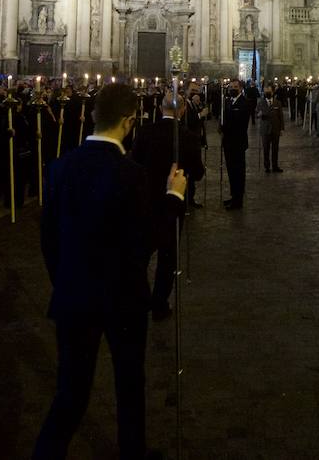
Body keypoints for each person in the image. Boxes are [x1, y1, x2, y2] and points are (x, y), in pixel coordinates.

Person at [33, 84, 186, 460]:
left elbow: (48, 240)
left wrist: (66, 282)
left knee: (70, 394)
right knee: (129, 383)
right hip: (123, 299)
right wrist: (174, 197)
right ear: (130, 121)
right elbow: (147, 241)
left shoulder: (59, 167)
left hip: (73, 298)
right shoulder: (131, 174)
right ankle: (132, 452)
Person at [131, 89, 201, 321]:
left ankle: (137, 295)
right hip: (173, 206)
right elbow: (198, 173)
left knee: (142, 251)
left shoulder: (143, 132)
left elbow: (135, 164)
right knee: (168, 256)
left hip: (145, 203)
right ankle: (159, 303)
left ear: (161, 109)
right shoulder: (189, 137)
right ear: (182, 111)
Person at [219, 82, 250, 209]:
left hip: (238, 142)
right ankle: (233, 195)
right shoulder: (228, 101)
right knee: (231, 171)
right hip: (228, 142)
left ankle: (238, 200)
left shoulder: (244, 102)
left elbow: (240, 122)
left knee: (238, 172)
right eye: (231, 87)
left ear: (241, 88)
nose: (232, 89)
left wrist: (225, 126)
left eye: (235, 87)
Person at [256, 82, 284, 173]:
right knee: (266, 149)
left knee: (275, 149)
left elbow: (281, 117)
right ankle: (267, 166)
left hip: (275, 129)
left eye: (269, 91)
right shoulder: (261, 103)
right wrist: (258, 115)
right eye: (265, 91)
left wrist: (281, 129)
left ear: (272, 92)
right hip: (265, 130)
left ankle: (275, 166)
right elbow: (256, 113)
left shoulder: (278, 103)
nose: (267, 93)